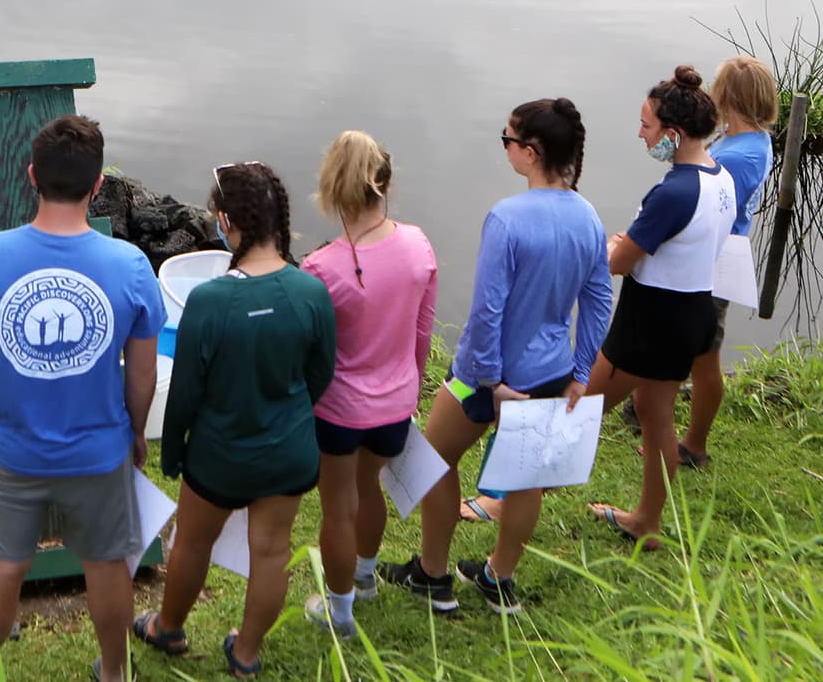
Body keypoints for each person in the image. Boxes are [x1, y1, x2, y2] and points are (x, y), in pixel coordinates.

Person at [0, 115, 163, 682]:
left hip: (15, 452)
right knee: (106, 566)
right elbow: (142, 374)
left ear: (32, 176)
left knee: (2, 568)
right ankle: (115, 673)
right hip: (99, 453)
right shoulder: (131, 266)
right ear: (97, 185)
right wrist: (136, 431)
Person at [383, 99, 612, 614]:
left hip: (485, 377)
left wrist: (489, 380)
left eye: (507, 139)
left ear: (531, 153)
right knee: (525, 479)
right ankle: (498, 577)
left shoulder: (507, 219)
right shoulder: (588, 216)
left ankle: (432, 574)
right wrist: (580, 372)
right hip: (552, 372)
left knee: (431, 459)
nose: (505, 147)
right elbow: (599, 299)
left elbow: (488, 310)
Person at [138, 162, 334, 677]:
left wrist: (174, 454)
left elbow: (185, 393)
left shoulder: (210, 300)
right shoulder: (311, 292)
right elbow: (320, 374)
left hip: (219, 455)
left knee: (191, 540)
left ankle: (168, 628)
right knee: (271, 552)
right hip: (288, 452)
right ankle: (246, 652)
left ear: (227, 221)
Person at [585, 67, 732, 550]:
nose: (641, 134)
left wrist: (611, 246)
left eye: (646, 125)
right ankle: (646, 521)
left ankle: (507, 502)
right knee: (655, 412)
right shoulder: (721, 177)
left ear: (674, 134)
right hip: (693, 315)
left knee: (581, 410)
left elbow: (619, 263)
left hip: (649, 323)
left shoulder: (673, 192)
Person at [300, 132, 437, 640]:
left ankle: (338, 612)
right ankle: (364, 577)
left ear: (332, 189)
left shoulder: (320, 269)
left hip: (338, 413)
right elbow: (422, 332)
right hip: (396, 406)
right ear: (385, 184)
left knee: (338, 508)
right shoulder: (419, 245)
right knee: (369, 487)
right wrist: (411, 388)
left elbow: (310, 355)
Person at [680, 55, 777, 468]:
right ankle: (645, 410)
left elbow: (705, 202)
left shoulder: (740, 155)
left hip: (715, 262)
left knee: (706, 357)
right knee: (688, 344)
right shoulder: (746, 139)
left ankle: (694, 446)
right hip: (712, 255)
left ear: (729, 98)